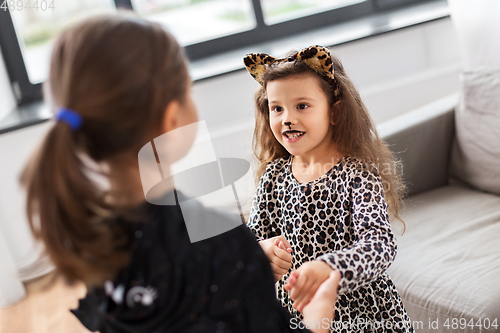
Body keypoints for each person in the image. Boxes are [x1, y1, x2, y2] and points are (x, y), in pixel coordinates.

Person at [20, 16, 341, 333]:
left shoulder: (86, 231)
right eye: (189, 88)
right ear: (172, 119)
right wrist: (317, 320)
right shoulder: (226, 248)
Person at [244, 45, 414, 332]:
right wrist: (262, 252)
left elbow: (379, 244)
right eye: (277, 108)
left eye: (302, 106)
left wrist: (329, 268)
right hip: (299, 317)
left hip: (365, 319)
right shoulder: (274, 176)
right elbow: (252, 238)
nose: (287, 118)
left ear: (335, 112)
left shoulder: (357, 174)